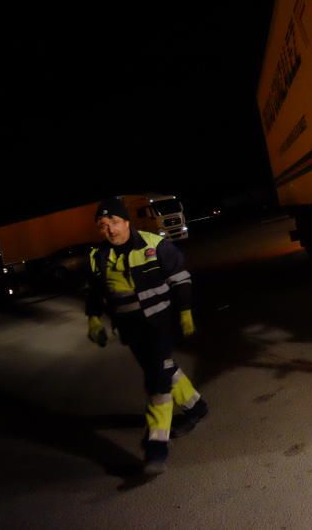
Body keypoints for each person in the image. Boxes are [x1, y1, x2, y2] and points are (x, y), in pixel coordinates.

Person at [85, 197, 208, 475]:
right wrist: (93, 318)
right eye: (103, 225)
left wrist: (185, 311)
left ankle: (156, 448)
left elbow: (180, 278)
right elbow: (94, 293)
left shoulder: (155, 245)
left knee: (157, 382)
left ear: (127, 221)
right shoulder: (96, 258)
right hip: (131, 330)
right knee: (165, 369)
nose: (110, 230)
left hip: (160, 324)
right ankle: (196, 407)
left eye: (114, 222)